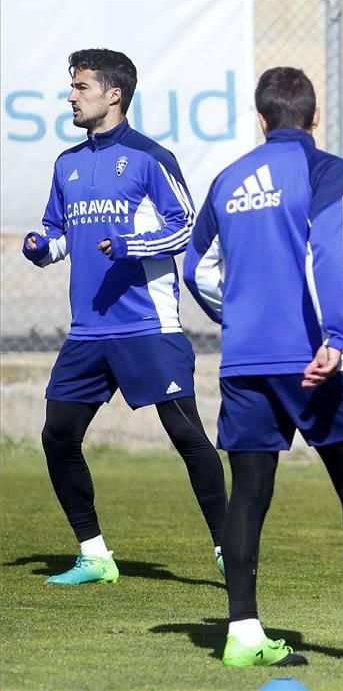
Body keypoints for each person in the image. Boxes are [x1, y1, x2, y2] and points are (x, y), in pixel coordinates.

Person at [183, 66, 343, 667]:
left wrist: (235, 318)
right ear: (314, 118)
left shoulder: (227, 179)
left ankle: (242, 634)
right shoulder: (327, 170)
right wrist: (334, 336)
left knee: (248, 495)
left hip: (243, 360)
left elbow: (196, 269)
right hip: (312, 357)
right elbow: (325, 254)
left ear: (260, 121)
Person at [21, 49, 227, 585]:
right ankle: (94, 554)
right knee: (57, 436)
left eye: (81, 87)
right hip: (89, 331)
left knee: (187, 437)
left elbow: (187, 229)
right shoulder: (66, 163)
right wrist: (43, 246)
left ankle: (231, 547)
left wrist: (132, 244)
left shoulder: (149, 158)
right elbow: (59, 233)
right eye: (72, 87)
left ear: (114, 94)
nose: (71, 96)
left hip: (148, 329)